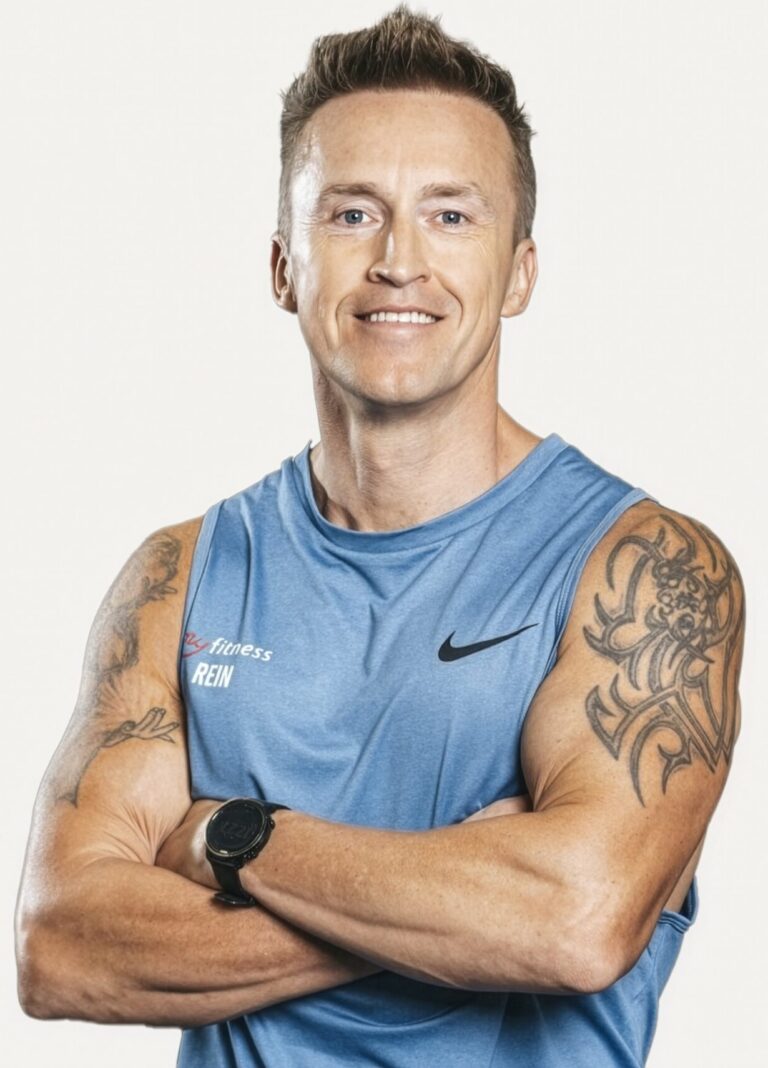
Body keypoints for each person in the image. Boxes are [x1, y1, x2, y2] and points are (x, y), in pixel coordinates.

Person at [15, 5, 745, 1066]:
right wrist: (461, 895)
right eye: (353, 213)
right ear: (284, 267)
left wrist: (233, 838)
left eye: (451, 215)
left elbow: (577, 921)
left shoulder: (643, 569)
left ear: (521, 272)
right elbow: (61, 946)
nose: (400, 261)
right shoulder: (181, 576)